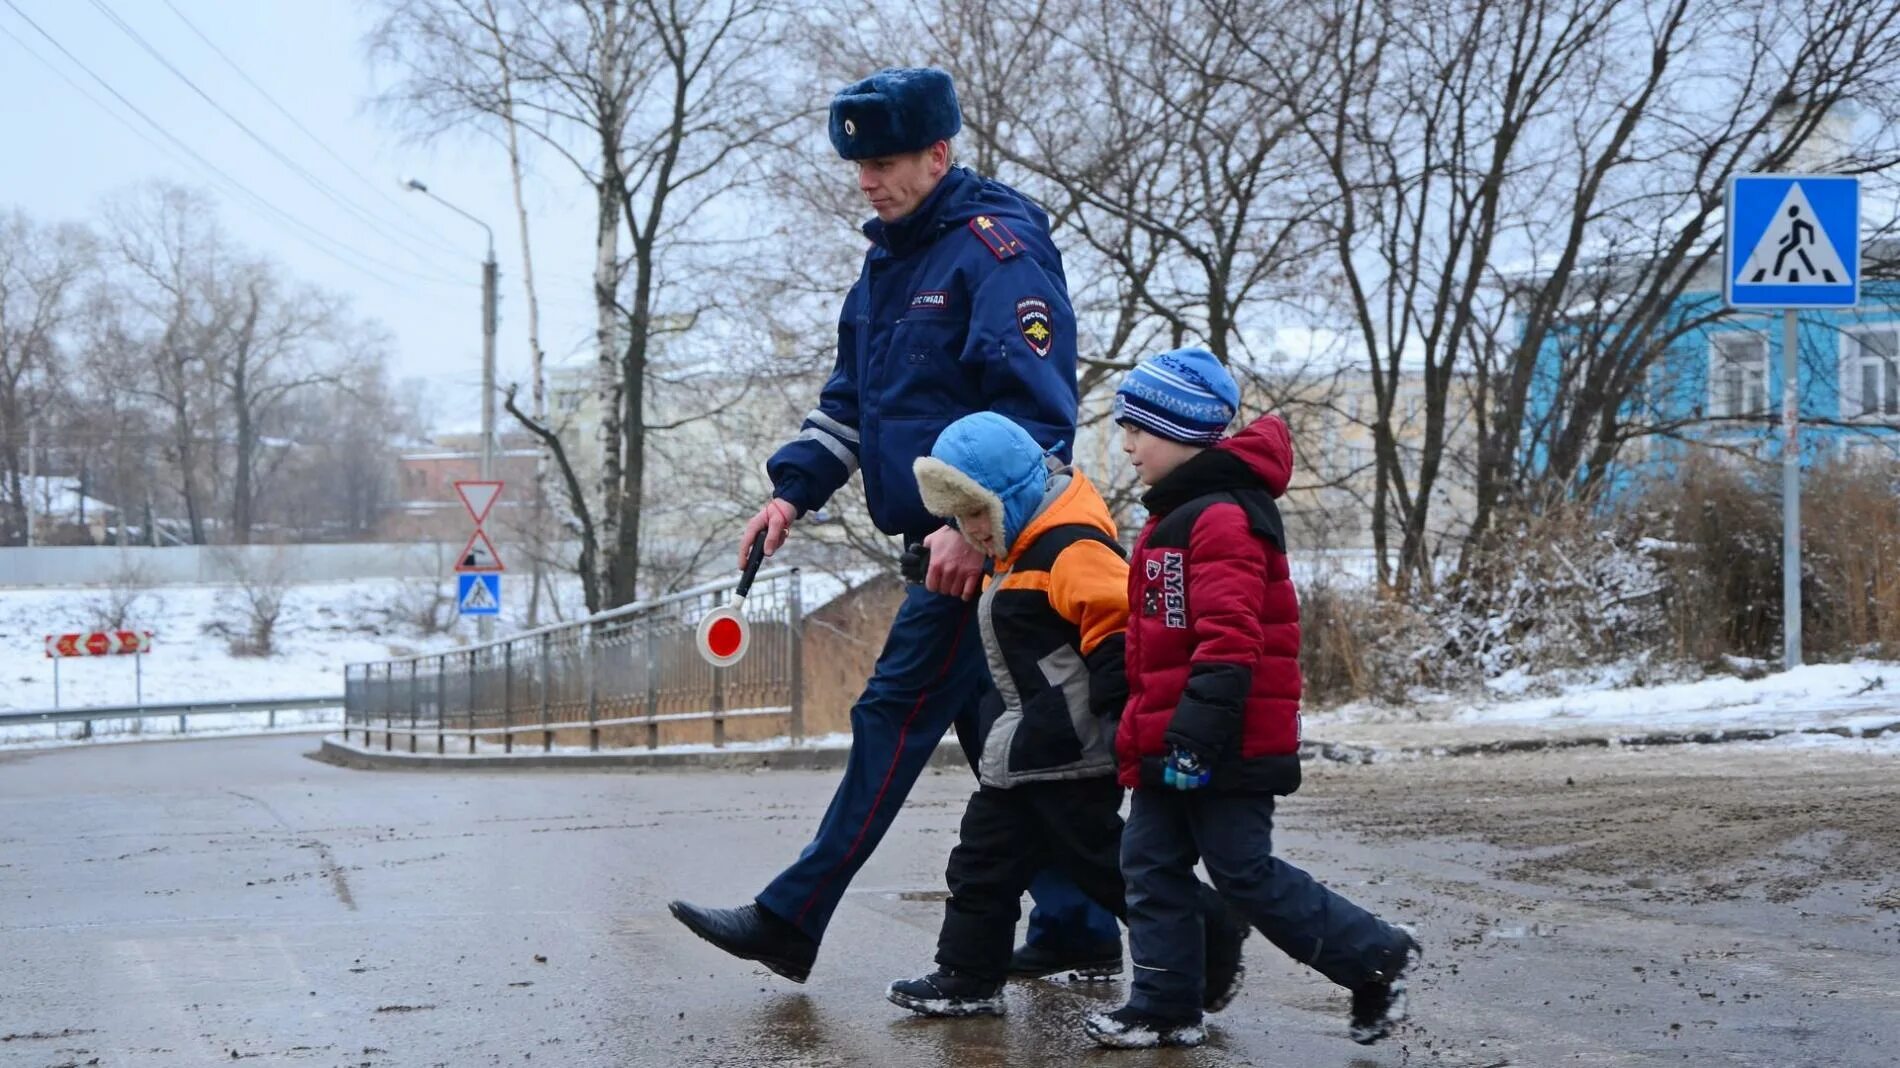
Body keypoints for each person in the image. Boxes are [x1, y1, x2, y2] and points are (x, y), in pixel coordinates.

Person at [667, 66, 1117, 984]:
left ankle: (791, 917)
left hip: (990, 554)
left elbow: (1038, 416)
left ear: (937, 155)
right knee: (1027, 751)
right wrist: (791, 494)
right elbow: (852, 409)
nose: (866, 181)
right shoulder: (886, 267)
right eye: (859, 165)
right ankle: (1081, 925)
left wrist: (971, 526)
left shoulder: (998, 253)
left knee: (888, 719)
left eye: (882, 162)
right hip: (949, 549)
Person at [1084, 348, 1421, 1050]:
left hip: (1220, 741)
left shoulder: (1221, 519)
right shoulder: (1176, 516)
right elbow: (1166, 635)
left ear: (1178, 432)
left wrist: (1193, 735)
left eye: (1137, 430)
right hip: (1173, 736)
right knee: (1148, 866)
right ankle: (1164, 1004)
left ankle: (1375, 955)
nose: (1127, 446)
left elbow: (1231, 642)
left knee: (1242, 871)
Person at [884, 413, 1246, 1017]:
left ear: (1013, 493)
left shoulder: (1071, 544)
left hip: (1075, 751)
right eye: (958, 518)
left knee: (1108, 868)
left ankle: (1210, 929)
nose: (970, 531)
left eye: (977, 513)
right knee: (980, 866)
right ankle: (966, 978)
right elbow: (1024, 616)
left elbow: (1122, 628)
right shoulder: (1017, 545)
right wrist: (935, 573)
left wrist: (1121, 714)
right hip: (1024, 753)